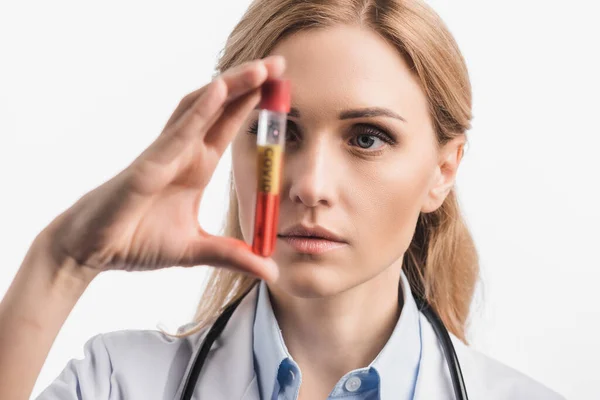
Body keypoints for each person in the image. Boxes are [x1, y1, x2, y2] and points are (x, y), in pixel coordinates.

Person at [0, 0, 565, 399]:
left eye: (367, 137)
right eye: (277, 133)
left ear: (443, 171)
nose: (310, 185)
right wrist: (62, 262)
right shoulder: (118, 384)